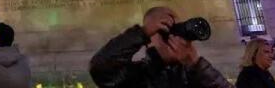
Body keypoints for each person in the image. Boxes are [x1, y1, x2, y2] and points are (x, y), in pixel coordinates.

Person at [89, 6, 231, 88]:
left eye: (177, 28)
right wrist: (142, 32)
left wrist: (196, 64)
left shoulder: (196, 76)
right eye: (165, 30)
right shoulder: (136, 76)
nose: (174, 36)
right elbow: (100, 69)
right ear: (148, 41)